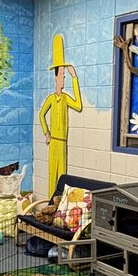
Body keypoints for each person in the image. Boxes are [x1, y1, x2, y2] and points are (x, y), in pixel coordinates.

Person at [37, 34, 82, 197]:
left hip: (62, 142)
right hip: (54, 141)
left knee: (62, 177)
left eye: (64, 75)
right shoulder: (51, 98)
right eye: (62, 75)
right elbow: (41, 115)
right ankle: (49, 204)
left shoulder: (65, 99)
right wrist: (46, 132)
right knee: (51, 175)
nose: (64, 79)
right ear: (56, 77)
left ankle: (59, 205)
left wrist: (75, 78)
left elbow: (78, 105)